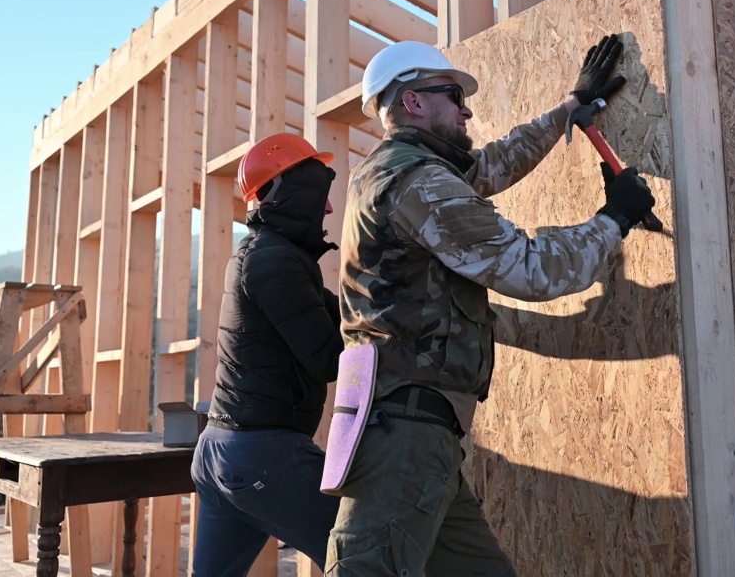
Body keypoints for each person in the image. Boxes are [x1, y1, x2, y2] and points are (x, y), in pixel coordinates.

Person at [325, 36, 657, 576]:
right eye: (454, 95)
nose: (467, 108)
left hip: (421, 434)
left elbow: (494, 164)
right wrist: (613, 218)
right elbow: (530, 269)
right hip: (404, 437)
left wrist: (569, 111)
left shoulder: (404, 168)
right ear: (413, 102)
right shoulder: (417, 182)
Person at [190, 133, 344, 575]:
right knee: (365, 553)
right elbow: (329, 358)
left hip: (220, 453)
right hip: (263, 456)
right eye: (321, 197)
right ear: (295, 195)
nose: (328, 210)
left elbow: (335, 312)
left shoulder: (264, 256)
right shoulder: (275, 262)